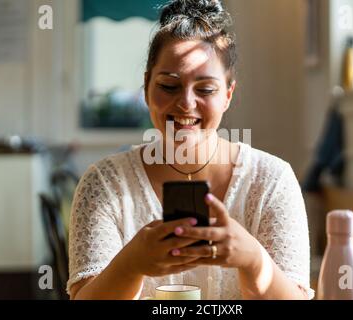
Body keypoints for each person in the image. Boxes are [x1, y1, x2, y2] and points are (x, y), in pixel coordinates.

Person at [67, 0, 313, 300]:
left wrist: (252, 260)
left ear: (228, 94)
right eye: (169, 86)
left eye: (205, 89)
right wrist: (130, 265)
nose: (185, 103)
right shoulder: (104, 183)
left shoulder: (272, 181)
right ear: (146, 88)